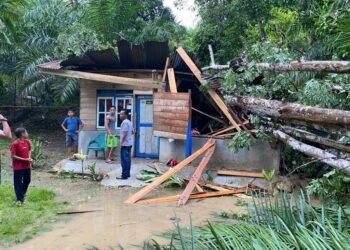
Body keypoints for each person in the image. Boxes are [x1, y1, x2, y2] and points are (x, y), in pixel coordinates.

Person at [10, 128, 32, 205]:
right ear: (22, 134)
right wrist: (25, 159)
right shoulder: (15, 144)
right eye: (26, 132)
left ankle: (21, 195)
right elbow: (13, 156)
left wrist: (29, 159)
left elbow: (29, 151)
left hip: (27, 166)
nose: (27, 133)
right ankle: (19, 200)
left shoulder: (27, 142)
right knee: (18, 183)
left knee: (27, 180)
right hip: (18, 167)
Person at [118, 110, 133, 180]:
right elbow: (132, 131)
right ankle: (127, 174)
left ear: (125, 115)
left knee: (124, 160)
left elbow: (125, 133)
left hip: (125, 144)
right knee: (128, 159)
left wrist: (121, 142)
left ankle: (124, 175)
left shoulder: (124, 122)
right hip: (129, 143)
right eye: (120, 114)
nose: (120, 115)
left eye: (121, 114)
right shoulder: (129, 122)